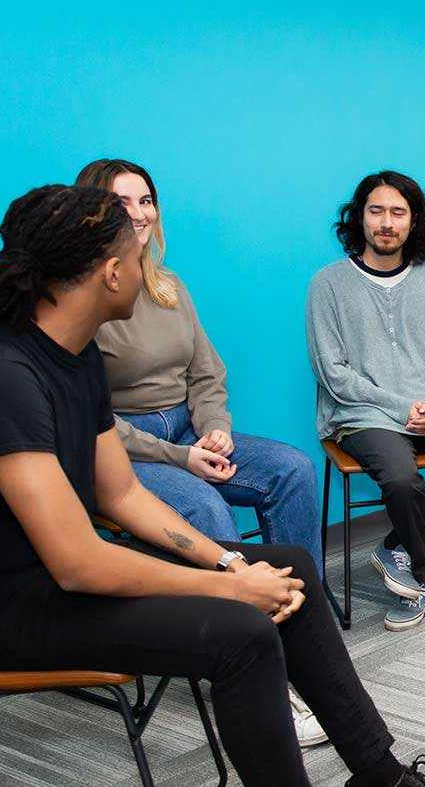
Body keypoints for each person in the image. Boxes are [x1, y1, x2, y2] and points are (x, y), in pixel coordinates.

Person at [0, 184, 425, 787]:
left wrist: (231, 562)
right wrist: (230, 588)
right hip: (18, 605)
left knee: (290, 567)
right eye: (136, 255)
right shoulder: (9, 375)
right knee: (244, 633)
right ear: (113, 273)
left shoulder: (77, 360)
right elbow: (76, 564)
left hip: (66, 581)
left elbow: (121, 496)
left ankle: (384, 778)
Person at [75, 158, 330, 745]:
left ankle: (300, 631)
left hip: (189, 430)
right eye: (121, 203)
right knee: (204, 508)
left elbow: (206, 371)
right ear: (89, 213)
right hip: (125, 449)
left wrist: (214, 428)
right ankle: (256, 663)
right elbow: (92, 420)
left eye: (146, 200)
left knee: (292, 469)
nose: (139, 214)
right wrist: (179, 459)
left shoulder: (168, 285)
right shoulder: (83, 300)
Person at [306, 171, 425, 632]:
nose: (386, 222)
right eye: (376, 211)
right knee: (401, 477)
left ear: (413, 221)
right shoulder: (328, 284)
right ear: (360, 218)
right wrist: (399, 407)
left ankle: (397, 545)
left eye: (397, 212)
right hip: (362, 413)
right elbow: (333, 373)